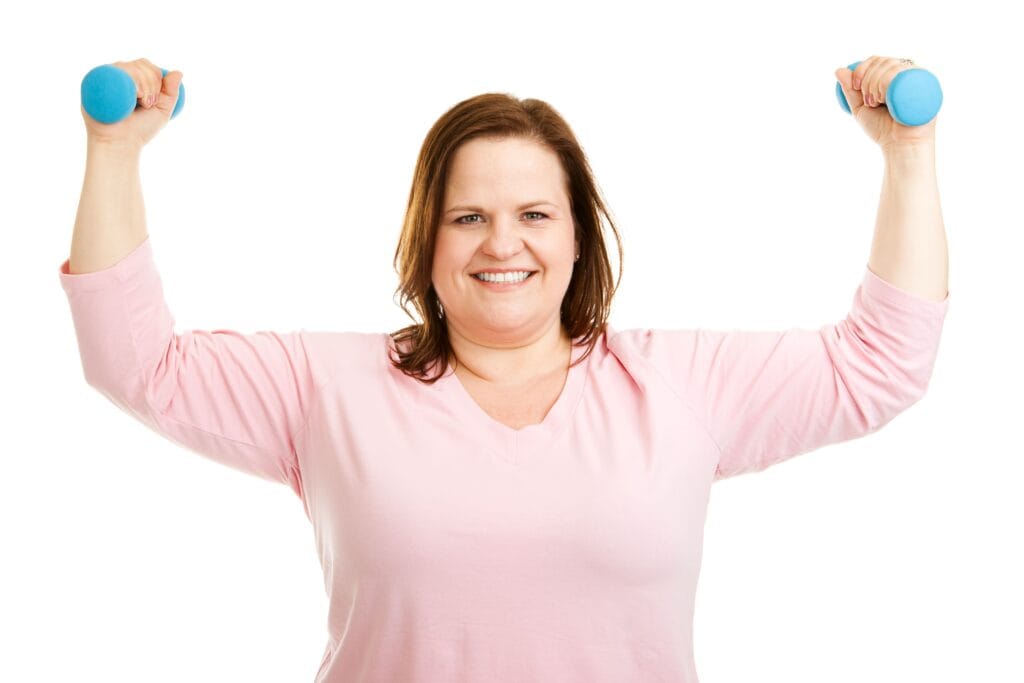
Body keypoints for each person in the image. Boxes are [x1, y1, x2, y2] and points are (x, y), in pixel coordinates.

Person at [60, 56, 950, 682]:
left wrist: (908, 156)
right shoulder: (325, 388)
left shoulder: (679, 382)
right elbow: (137, 362)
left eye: (534, 213)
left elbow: (880, 363)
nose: (503, 244)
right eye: (467, 217)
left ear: (575, 237)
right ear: (428, 239)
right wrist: (113, 151)